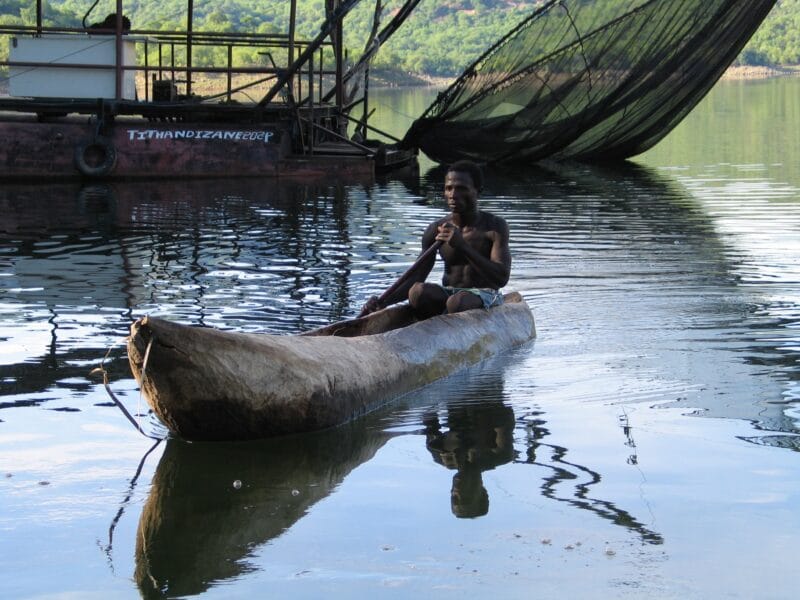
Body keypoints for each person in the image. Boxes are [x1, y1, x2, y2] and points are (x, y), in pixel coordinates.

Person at [362, 160, 511, 318]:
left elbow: (501, 278)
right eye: (449, 188)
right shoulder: (436, 229)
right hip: (450, 295)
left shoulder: (494, 227)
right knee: (418, 292)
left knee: (457, 302)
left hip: (486, 296)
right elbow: (416, 276)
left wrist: (462, 246)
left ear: (478, 191)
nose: (453, 195)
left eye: (461, 188)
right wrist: (383, 302)